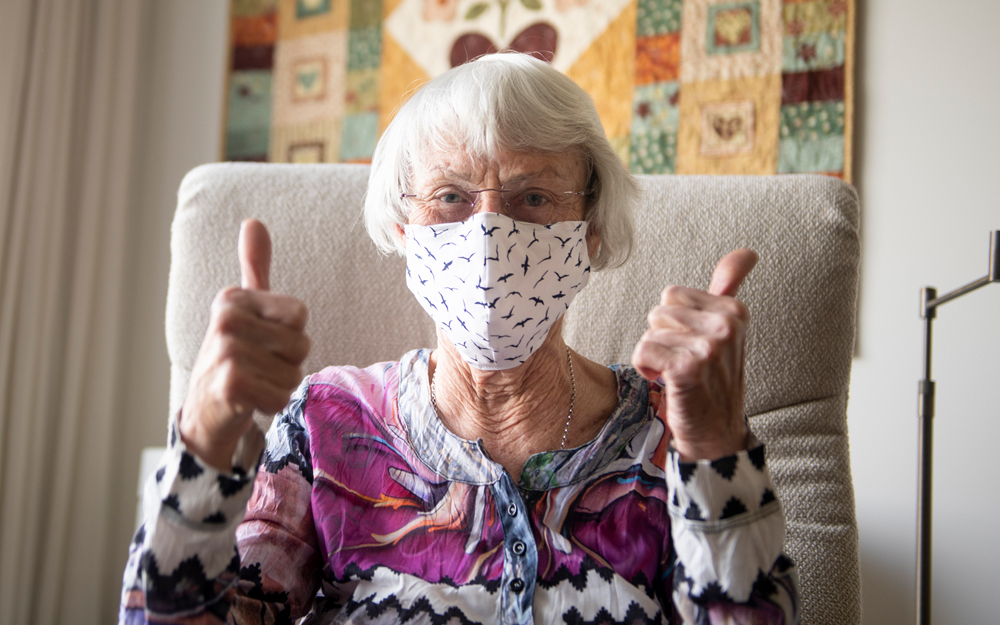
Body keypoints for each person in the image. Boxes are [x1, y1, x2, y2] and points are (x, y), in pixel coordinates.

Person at [120, 52, 798, 624]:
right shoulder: (329, 424)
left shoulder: (672, 431)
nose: (488, 235)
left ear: (590, 232)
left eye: (534, 197)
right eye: (451, 197)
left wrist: (717, 449)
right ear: (404, 230)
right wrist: (204, 441)